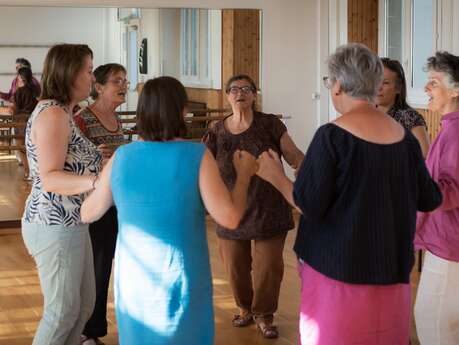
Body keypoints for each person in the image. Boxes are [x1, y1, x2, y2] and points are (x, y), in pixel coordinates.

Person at [256, 43, 442, 345]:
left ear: (339, 84)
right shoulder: (405, 141)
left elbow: (309, 205)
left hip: (338, 274)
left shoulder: (332, 136)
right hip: (392, 274)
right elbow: (430, 199)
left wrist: (275, 176)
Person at [80, 76, 258, 345]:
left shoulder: (122, 157)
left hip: (134, 279)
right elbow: (229, 218)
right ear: (182, 110)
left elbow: (88, 213)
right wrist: (244, 175)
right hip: (180, 276)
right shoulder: (196, 156)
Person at [203, 74, 304, 338]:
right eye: (234, 89)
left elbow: (294, 155)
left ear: (254, 95)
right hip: (232, 209)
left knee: (269, 267)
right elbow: (204, 166)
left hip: (269, 208)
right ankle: (244, 308)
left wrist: (309, 175)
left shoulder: (270, 124)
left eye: (246, 89)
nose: (240, 93)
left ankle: (264, 314)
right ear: (227, 96)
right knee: (236, 267)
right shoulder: (216, 130)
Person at [21, 44, 101, 345]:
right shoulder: (53, 114)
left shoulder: (65, 112)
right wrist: (97, 180)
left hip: (72, 221)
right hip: (54, 224)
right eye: (89, 70)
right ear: (70, 73)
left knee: (81, 307)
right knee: (62, 312)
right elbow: (51, 178)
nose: (92, 77)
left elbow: (68, 162)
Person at [74, 63, 128, 345]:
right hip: (95, 203)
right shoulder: (83, 119)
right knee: (97, 267)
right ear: (99, 87)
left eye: (125, 80)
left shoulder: (117, 120)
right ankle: (88, 332)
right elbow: (73, 161)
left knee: (108, 267)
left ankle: (94, 328)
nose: (124, 85)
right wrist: (99, 159)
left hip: (118, 201)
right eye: (117, 81)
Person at [414, 51, 459, 345]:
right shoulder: (448, 128)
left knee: (432, 323)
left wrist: (408, 182)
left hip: (448, 246)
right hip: (444, 243)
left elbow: (451, 191)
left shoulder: (455, 133)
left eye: (433, 82)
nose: (426, 89)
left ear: (456, 89)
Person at [376, 57, 430, 157]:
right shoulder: (366, 114)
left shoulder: (409, 117)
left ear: (398, 88)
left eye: (385, 83)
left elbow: (425, 154)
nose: (378, 87)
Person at [10, 66, 40, 179]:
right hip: (35, 121)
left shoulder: (19, 92)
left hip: (21, 122)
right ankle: (35, 172)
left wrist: (12, 110)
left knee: (21, 148)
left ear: (21, 78)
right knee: (33, 148)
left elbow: (15, 109)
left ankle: (28, 172)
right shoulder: (37, 91)